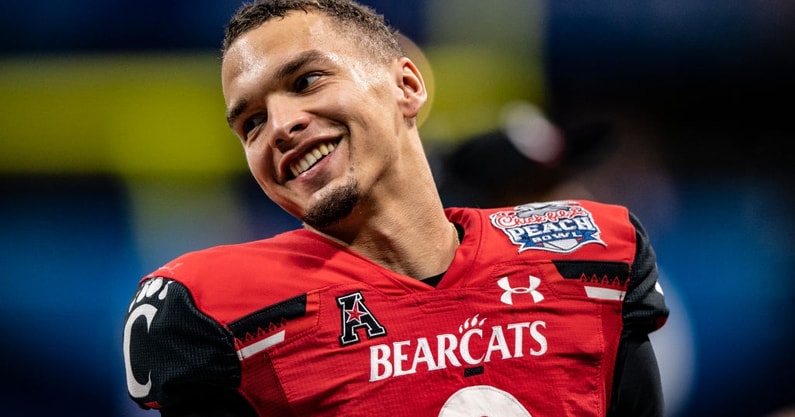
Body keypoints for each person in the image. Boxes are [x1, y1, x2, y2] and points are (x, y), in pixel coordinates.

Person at [122, 1, 669, 416]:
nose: (281, 126)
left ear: (406, 85)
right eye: (252, 123)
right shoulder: (215, 315)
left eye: (306, 80)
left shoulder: (593, 257)